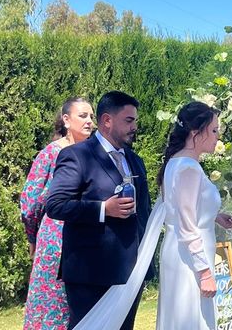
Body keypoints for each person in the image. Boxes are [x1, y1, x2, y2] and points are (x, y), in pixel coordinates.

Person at [46, 91, 152, 330]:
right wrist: (103, 209)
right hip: (90, 274)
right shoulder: (77, 156)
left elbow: (144, 211)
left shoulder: (135, 161)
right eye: (129, 120)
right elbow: (55, 204)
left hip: (129, 273)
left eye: (135, 121)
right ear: (106, 121)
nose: (134, 126)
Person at [156, 101, 232, 330]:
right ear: (195, 132)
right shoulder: (188, 168)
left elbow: (182, 208)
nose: (217, 137)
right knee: (192, 320)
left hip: (182, 251)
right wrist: (204, 273)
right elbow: (186, 224)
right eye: (213, 131)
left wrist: (214, 215)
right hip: (189, 259)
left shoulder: (177, 162)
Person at [20, 97, 95, 330]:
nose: (89, 121)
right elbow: (30, 201)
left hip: (88, 236)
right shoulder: (51, 154)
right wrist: (32, 237)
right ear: (66, 119)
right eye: (83, 116)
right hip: (56, 239)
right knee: (52, 301)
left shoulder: (95, 154)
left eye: (91, 116)